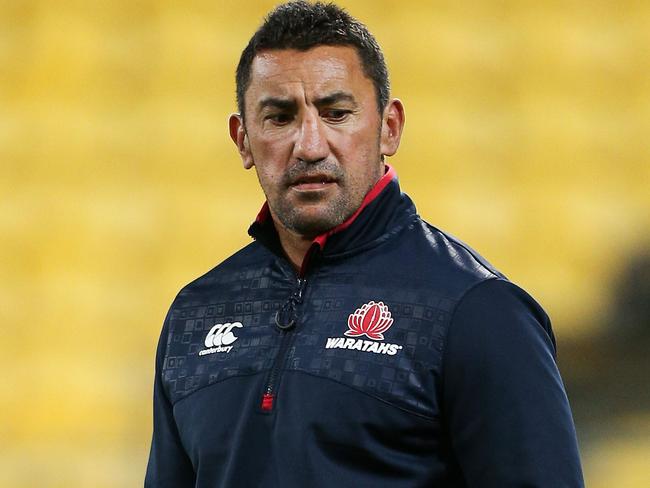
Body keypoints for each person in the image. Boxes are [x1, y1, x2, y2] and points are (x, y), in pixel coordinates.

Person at [145, 2, 584, 487]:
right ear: (243, 139)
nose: (310, 145)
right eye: (280, 117)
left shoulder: (477, 312)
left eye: (336, 113)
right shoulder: (195, 315)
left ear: (389, 127)